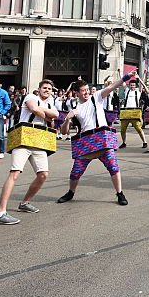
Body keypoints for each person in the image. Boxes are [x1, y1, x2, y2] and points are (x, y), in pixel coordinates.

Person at [0, 79, 60, 225]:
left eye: (49, 89)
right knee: (15, 173)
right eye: (45, 88)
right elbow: (35, 109)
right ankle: (1, 212)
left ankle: (25, 202)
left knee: (43, 174)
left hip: (39, 141)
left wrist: (50, 115)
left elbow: (55, 116)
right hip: (24, 138)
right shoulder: (31, 97)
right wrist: (49, 116)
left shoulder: (50, 103)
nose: (47, 90)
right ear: (39, 88)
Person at [57, 76, 132, 206]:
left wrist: (126, 77)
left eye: (87, 89)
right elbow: (64, 132)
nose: (86, 92)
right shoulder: (75, 107)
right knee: (76, 172)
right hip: (85, 143)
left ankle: (120, 193)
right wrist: (67, 119)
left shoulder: (96, 97)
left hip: (102, 139)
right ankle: (71, 192)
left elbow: (111, 87)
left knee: (113, 167)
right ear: (76, 93)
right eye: (83, 90)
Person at [118, 76, 148, 149]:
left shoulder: (138, 92)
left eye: (133, 85)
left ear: (135, 86)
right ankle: (124, 142)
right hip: (126, 112)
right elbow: (123, 82)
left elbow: (141, 84)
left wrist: (143, 75)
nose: (132, 86)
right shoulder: (127, 91)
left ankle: (144, 142)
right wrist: (119, 73)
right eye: (131, 85)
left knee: (138, 128)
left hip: (135, 112)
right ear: (129, 85)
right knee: (122, 129)